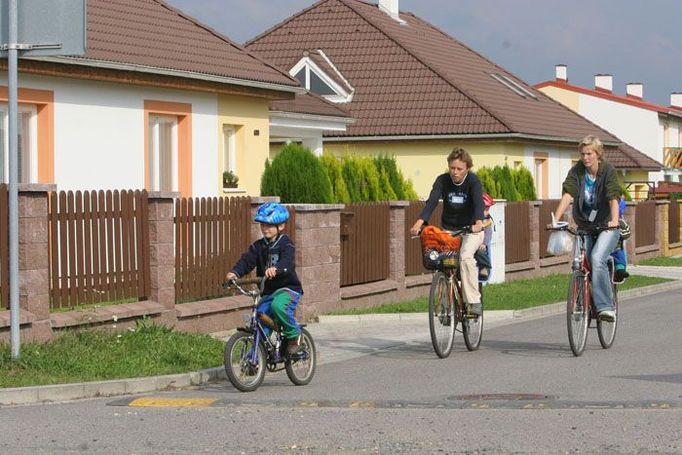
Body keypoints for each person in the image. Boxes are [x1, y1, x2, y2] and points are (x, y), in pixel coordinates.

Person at [553, 135, 621, 322]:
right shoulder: (577, 171)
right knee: (580, 263)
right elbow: (569, 193)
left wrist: (614, 220)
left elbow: (613, 195)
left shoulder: (608, 170)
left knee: (597, 258)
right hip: (585, 225)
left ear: (598, 154)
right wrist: (555, 220)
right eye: (583, 154)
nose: (585, 157)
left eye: (589, 153)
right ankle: (582, 301)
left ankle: (605, 307)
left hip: (606, 225)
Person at [410, 147, 485, 316]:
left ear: (467, 168)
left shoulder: (473, 181)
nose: (455, 172)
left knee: (465, 257)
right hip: (449, 230)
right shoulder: (442, 181)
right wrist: (419, 223)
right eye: (452, 168)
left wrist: (479, 222)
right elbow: (432, 202)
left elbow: (478, 202)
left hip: (471, 230)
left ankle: (473, 302)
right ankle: (444, 305)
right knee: (441, 262)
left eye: (459, 169)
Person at [226, 202, 304, 355]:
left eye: (269, 225)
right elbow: (247, 261)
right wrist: (235, 273)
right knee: (260, 318)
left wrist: (277, 268)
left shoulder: (285, 243)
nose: (265, 228)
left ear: (280, 226)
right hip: (268, 292)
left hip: (287, 289)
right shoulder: (258, 246)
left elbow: (287, 261)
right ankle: (256, 356)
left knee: (278, 307)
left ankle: (294, 335)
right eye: (262, 225)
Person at [475, 192, 495, 280]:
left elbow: (488, 233)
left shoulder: (487, 220)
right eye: (485, 209)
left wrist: (484, 243)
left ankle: (485, 267)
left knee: (481, 252)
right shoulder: (473, 218)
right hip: (472, 241)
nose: (487, 212)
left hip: (481, 244)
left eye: (488, 209)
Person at [611, 198, 629, 282]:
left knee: (619, 254)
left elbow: (627, 233)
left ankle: (620, 270)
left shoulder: (620, 221)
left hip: (616, 247)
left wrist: (619, 233)